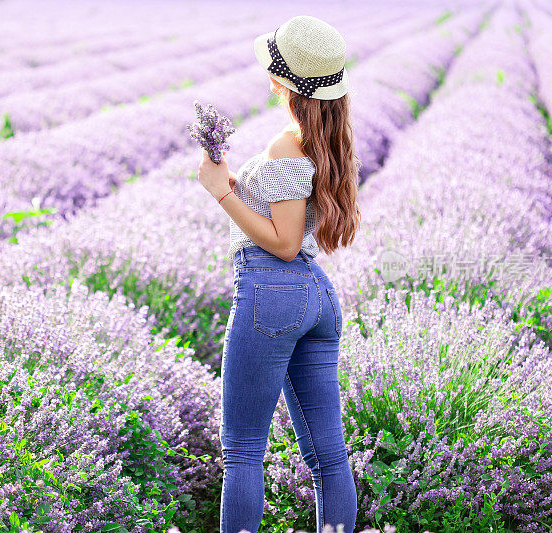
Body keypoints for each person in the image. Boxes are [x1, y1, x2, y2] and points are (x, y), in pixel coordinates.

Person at [196, 15, 361, 533]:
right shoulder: (326, 140)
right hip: (316, 297)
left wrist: (221, 191)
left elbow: (285, 243)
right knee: (328, 457)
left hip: (273, 290)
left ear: (285, 81)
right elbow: (294, 230)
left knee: (243, 450)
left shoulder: (289, 145)